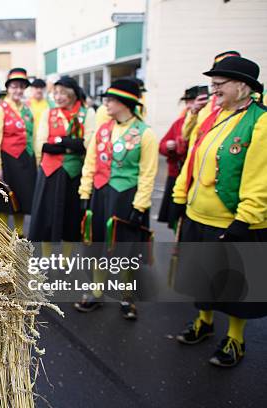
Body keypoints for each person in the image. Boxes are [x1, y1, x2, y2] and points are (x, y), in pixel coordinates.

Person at [171, 56, 267, 367]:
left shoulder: (260, 121)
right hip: (198, 215)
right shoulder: (212, 117)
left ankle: (235, 339)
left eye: (219, 85)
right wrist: (179, 196)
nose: (213, 91)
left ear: (243, 86)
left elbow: (260, 176)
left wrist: (246, 218)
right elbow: (193, 158)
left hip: (231, 219)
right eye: (212, 85)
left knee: (235, 286)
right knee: (202, 278)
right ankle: (204, 322)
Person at [75, 78, 158, 319]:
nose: (106, 104)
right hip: (100, 195)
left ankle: (126, 296)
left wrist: (140, 205)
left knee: (123, 251)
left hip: (126, 198)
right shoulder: (103, 129)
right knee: (97, 245)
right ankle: (97, 292)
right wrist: (84, 192)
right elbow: (90, 162)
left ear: (125, 103)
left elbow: (148, 173)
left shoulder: (146, 134)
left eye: (110, 100)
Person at [30, 76, 96, 247]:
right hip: (50, 172)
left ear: (72, 94)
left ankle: (65, 263)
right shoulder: (48, 113)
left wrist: (59, 141)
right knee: (47, 221)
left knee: (71, 221)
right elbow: (43, 145)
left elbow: (88, 143)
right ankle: (46, 261)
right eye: (55, 93)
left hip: (74, 173)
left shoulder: (87, 113)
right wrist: (71, 144)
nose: (57, 97)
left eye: (62, 93)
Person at [0, 68, 37, 235]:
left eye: (21, 87)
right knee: (4, 200)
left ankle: (20, 234)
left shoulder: (28, 110)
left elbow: (33, 136)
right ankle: (1, 236)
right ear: (8, 88)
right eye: (14, 86)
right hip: (7, 160)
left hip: (26, 161)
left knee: (22, 200)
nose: (18, 90)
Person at [157, 86, 197, 230]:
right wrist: (168, 146)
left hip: (195, 179)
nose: (189, 105)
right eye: (187, 102)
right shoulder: (179, 123)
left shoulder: (207, 122)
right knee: (176, 218)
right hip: (176, 175)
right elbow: (161, 145)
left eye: (192, 101)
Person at [181, 51, 242, 146]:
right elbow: (186, 135)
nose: (216, 88)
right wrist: (194, 112)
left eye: (222, 81)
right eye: (215, 83)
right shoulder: (206, 104)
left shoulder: (256, 103)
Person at [28, 78, 54, 152]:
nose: (39, 90)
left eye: (41, 88)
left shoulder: (51, 105)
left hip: (46, 142)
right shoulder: (26, 105)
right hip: (30, 141)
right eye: (36, 88)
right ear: (31, 89)